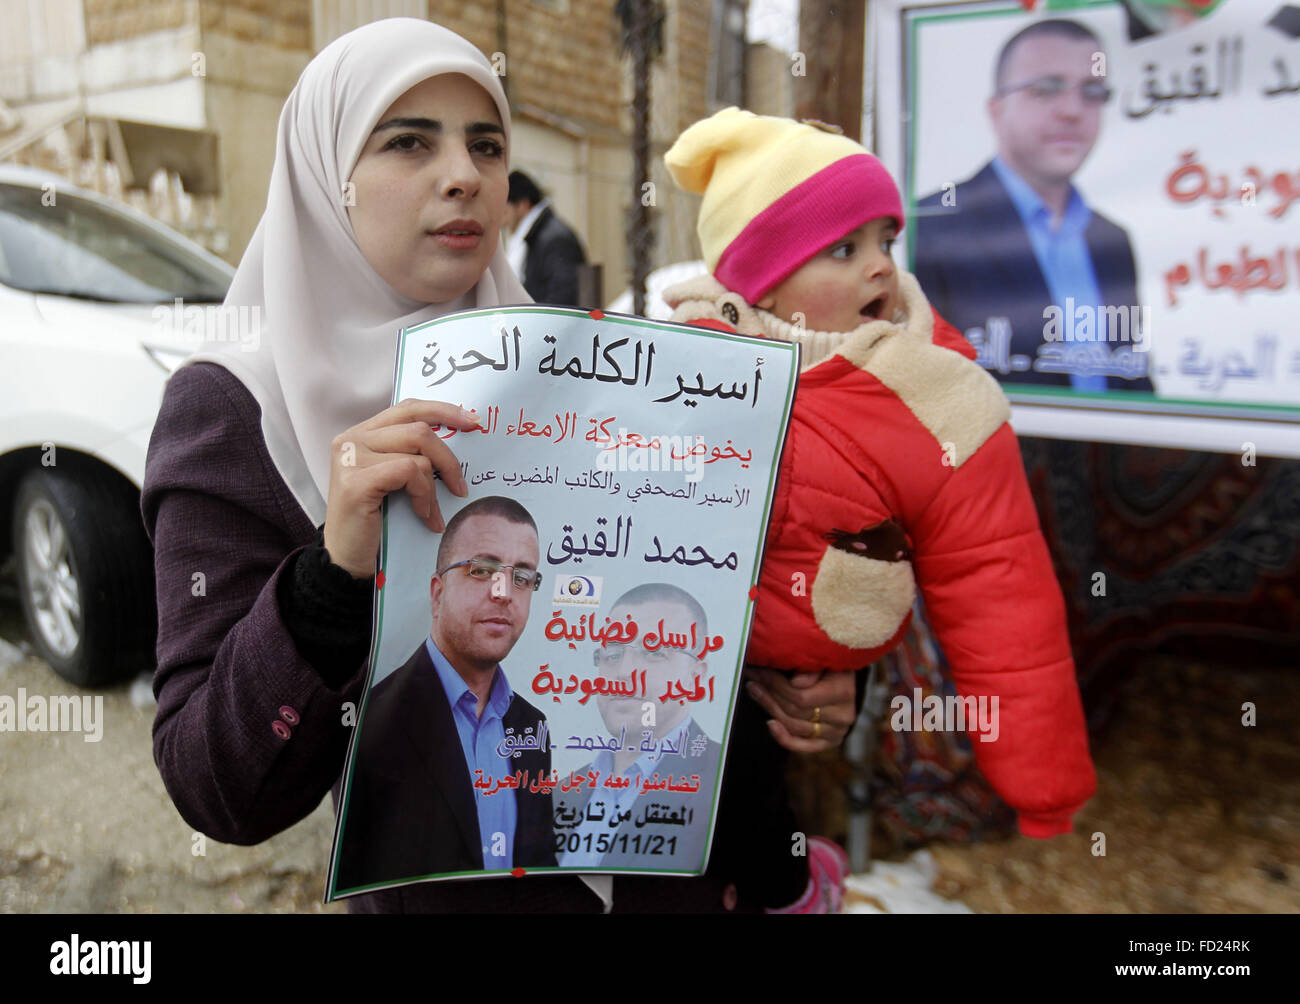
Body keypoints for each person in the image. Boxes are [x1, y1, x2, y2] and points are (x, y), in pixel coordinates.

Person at [141, 18, 858, 914]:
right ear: (330, 177)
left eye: (486, 144)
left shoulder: (580, 369)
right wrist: (330, 579)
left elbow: (680, 613)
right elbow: (218, 790)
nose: (465, 174)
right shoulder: (236, 409)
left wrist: (803, 685)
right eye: (408, 141)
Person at [660, 108, 1097, 856]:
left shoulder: (934, 395)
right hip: (655, 673)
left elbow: (1001, 591)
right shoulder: (678, 366)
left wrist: (1042, 780)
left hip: (790, 698)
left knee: (754, 830)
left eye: (885, 241)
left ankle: (792, 883)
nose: (881, 266)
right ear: (761, 277)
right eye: (843, 247)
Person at [912, 18, 1153, 392]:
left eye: (1092, 91)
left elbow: (1130, 374)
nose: (1072, 110)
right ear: (996, 110)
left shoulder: (1113, 240)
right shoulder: (931, 224)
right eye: (1046, 89)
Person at [336, 497, 555, 890]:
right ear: (437, 593)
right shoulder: (370, 719)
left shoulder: (532, 726)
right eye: (482, 569)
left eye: (522, 577)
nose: (504, 592)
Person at [556, 583, 723, 871]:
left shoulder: (728, 780)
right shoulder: (559, 794)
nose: (623, 673)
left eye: (654, 651)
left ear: (696, 676)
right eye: (612, 654)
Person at [504, 169, 587, 305]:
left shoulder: (556, 240)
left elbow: (563, 302)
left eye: (505, 211)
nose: (503, 221)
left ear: (522, 205)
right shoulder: (537, 236)